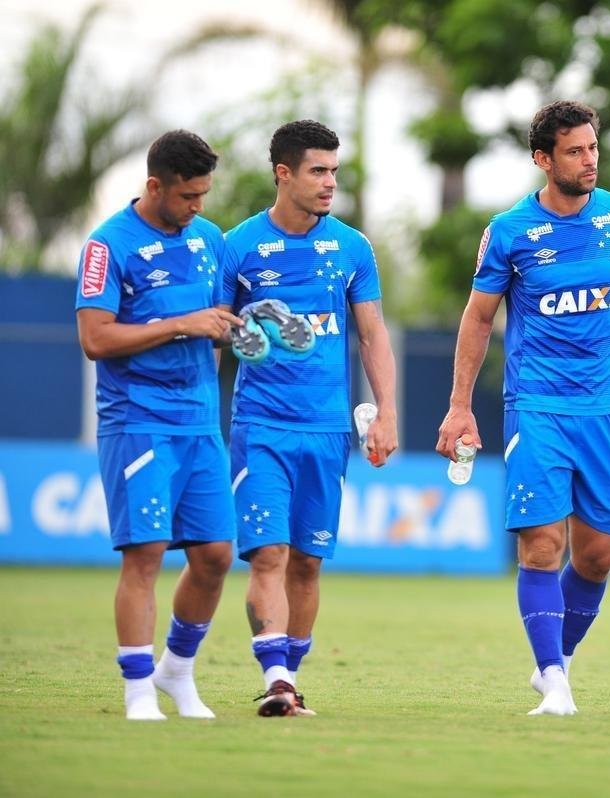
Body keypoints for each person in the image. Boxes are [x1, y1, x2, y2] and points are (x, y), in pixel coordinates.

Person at [436, 100, 610, 716]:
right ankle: (557, 682)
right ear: (543, 158)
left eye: (593, 148)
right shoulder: (509, 231)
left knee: (598, 556)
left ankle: (552, 663)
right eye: (575, 151)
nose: (589, 161)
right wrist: (459, 406)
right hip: (538, 405)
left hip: (609, 408)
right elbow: (478, 319)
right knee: (542, 545)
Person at [219, 119, 398, 717]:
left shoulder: (352, 248)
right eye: (318, 171)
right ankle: (275, 678)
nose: (329, 183)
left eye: (334, 172)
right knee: (268, 554)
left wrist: (387, 413)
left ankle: (288, 679)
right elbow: (215, 331)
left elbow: (371, 334)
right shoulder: (238, 246)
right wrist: (241, 335)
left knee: (307, 562)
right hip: (261, 426)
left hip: (327, 430)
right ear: (283, 173)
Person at [75, 130, 242, 720]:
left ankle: (177, 672)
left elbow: (214, 325)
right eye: (188, 196)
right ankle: (138, 690)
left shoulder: (209, 239)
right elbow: (95, 339)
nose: (198, 205)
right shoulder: (107, 245)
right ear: (154, 186)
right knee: (144, 554)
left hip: (200, 422)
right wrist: (181, 324)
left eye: (204, 194)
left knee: (216, 554)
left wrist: (239, 333)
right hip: (137, 420)